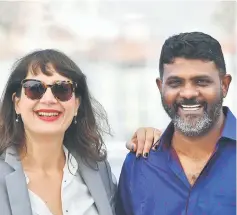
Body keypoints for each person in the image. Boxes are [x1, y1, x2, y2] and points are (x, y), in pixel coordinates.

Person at [0, 49, 161, 215]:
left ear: (76, 104)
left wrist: (153, 141)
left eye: (62, 89)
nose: (48, 100)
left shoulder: (98, 170)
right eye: (34, 88)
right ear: (16, 103)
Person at [116, 32, 236, 215]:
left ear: (224, 85)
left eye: (201, 81)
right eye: (175, 83)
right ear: (160, 87)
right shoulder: (139, 165)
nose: (188, 93)